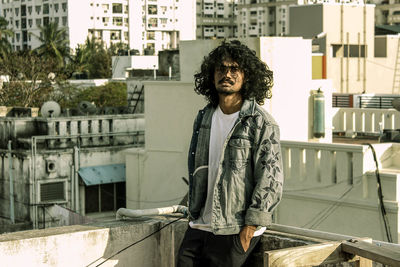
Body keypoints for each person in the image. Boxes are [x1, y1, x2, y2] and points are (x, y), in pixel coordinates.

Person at [177, 40, 284, 267]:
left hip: (234, 229)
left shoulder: (260, 122)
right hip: (199, 225)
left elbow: (270, 181)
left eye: (235, 69)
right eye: (221, 68)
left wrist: (248, 230)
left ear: (247, 76)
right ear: (212, 75)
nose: (227, 74)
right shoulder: (204, 118)